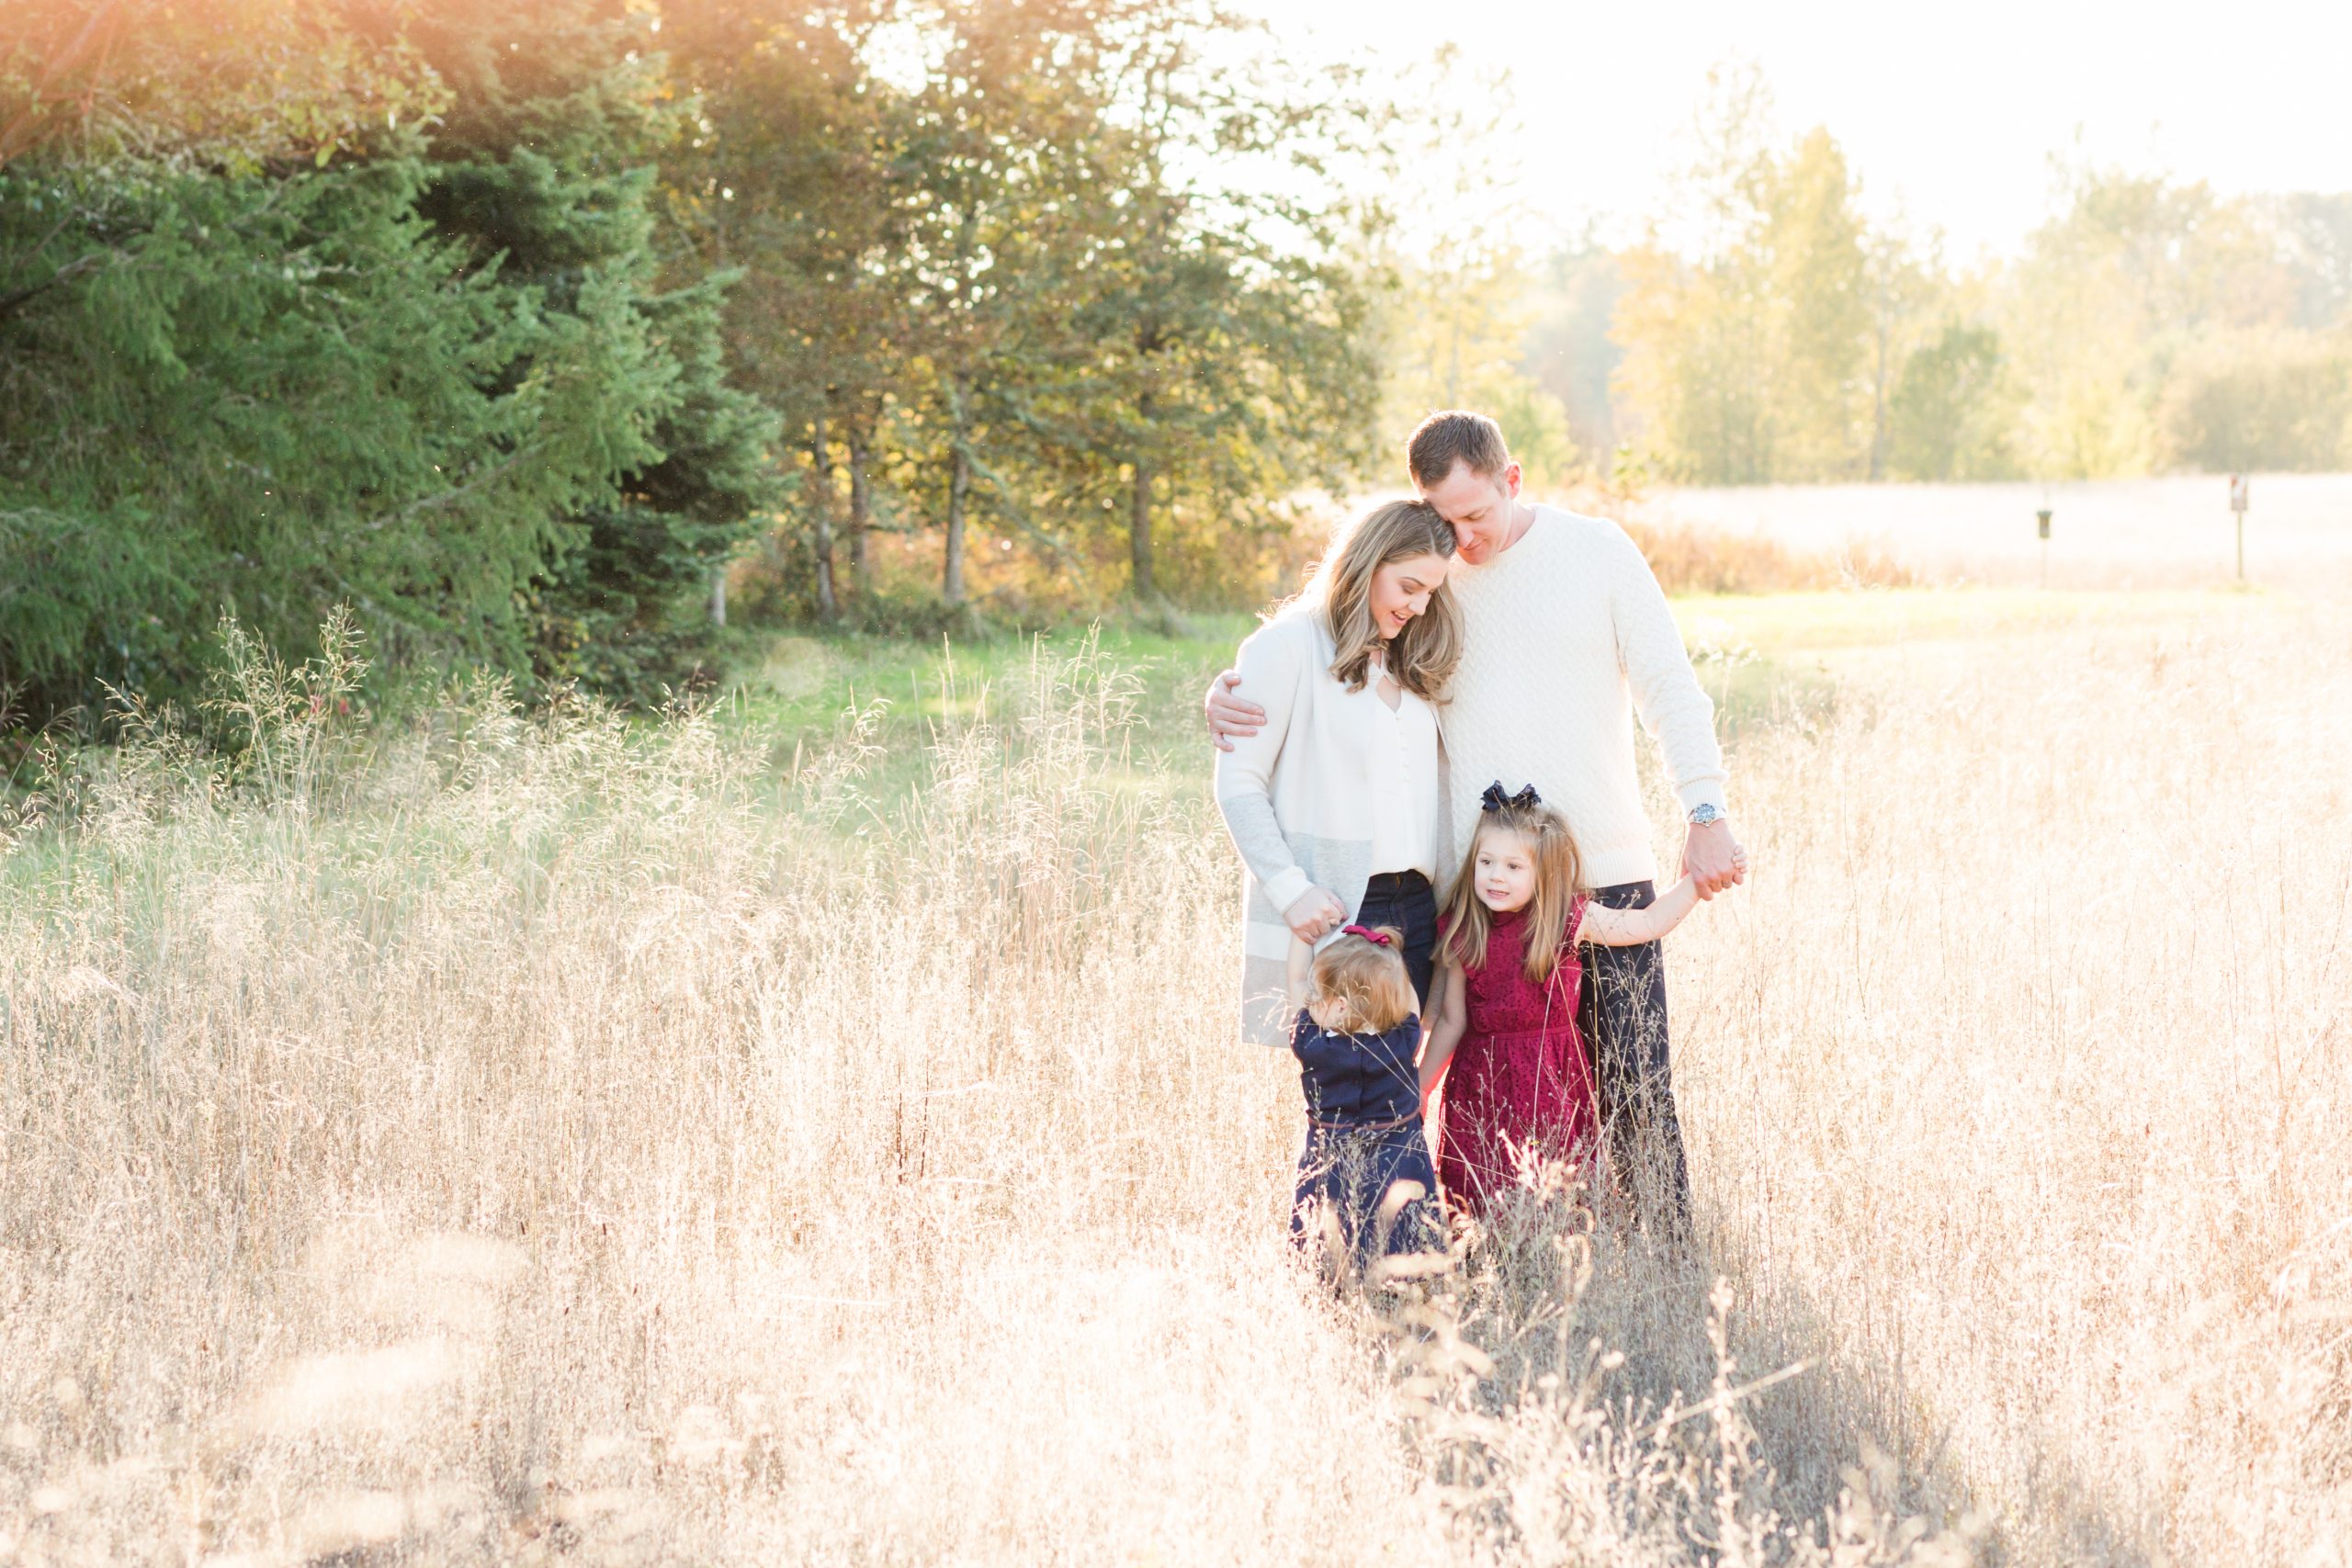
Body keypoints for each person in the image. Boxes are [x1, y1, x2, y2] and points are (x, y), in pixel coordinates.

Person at [1209, 411, 1746, 1234]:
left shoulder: (1596, 552)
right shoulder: (1431, 578)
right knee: (1472, 1091)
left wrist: (1705, 808)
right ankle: (1486, 1254)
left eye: (1476, 516)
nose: (1463, 540)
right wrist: (1231, 690)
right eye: (1444, 520)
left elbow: (1671, 687)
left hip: (1602, 867)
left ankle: (1667, 1269)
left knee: (1635, 1085)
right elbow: (1334, 636)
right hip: (1482, 896)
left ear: (1513, 480)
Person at [1212, 499, 1460, 1045]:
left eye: (1430, 593)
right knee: (1347, 1092)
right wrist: (1290, 890)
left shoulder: (1409, 654)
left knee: (1399, 1091)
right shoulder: (1288, 645)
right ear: (1369, 563)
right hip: (1340, 904)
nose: (1419, 607)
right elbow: (1238, 782)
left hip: (1418, 905)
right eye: (1408, 586)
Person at [1419, 784, 1711, 1215]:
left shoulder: (1565, 920)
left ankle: (1562, 1266)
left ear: (1544, 874)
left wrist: (1696, 884)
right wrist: (1418, 1087)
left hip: (1552, 1079)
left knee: (1559, 1188)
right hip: (1483, 1082)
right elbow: (1450, 1021)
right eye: (1486, 862)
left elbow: (1646, 923)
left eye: (1514, 866)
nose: (1496, 876)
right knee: (1486, 1185)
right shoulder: (1466, 931)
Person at [1285, 923, 1443, 1269]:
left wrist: (1302, 935)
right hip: (1399, 1162)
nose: (1309, 999)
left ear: (1340, 1006)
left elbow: (1296, 980)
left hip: (1332, 1161)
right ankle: (1407, 1277)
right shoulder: (1403, 1043)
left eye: (1316, 994)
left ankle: (1324, 1276)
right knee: (1402, 1230)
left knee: (1325, 1238)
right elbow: (1409, 1001)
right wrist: (1390, 962)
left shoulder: (1313, 1045)